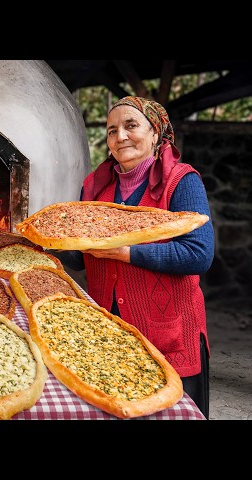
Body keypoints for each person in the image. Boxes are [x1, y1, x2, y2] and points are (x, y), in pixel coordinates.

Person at [53, 96, 214, 418]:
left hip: (167, 327)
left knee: (172, 411)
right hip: (111, 328)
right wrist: (41, 243)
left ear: (156, 133)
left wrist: (126, 253)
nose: (120, 137)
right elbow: (85, 257)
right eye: (112, 131)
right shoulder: (96, 187)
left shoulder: (181, 182)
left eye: (131, 126)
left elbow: (198, 255)